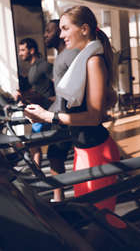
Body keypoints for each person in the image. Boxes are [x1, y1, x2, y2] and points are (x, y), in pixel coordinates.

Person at [24, 5, 120, 211]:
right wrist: (42, 115)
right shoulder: (83, 61)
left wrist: (50, 117)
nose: (61, 34)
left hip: (96, 150)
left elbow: (94, 117)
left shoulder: (93, 61)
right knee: (88, 214)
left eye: (66, 28)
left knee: (101, 220)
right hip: (82, 149)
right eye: (60, 29)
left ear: (84, 29)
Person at [44, 19, 78, 202]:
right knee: (54, 156)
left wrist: (54, 115)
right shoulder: (62, 56)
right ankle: (59, 197)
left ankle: (59, 199)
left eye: (48, 31)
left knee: (55, 155)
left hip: (65, 118)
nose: (45, 35)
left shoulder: (69, 55)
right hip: (59, 114)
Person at [15, 37, 54, 168]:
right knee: (33, 145)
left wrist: (51, 101)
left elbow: (60, 86)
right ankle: (37, 174)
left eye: (22, 50)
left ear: (31, 50)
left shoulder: (43, 66)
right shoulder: (32, 68)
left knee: (33, 144)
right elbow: (38, 90)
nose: (20, 53)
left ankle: (37, 175)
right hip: (40, 110)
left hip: (48, 110)